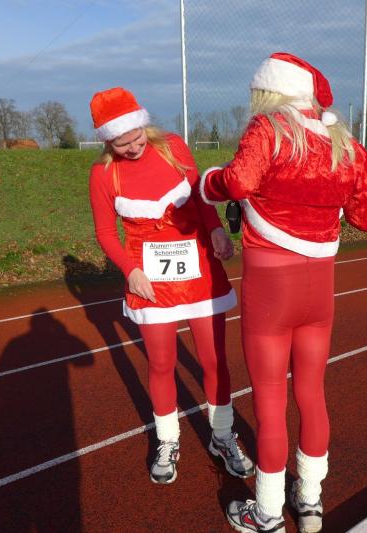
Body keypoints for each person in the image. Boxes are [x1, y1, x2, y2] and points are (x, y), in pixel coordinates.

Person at [200, 53, 367, 532]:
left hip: (271, 289)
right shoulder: (344, 144)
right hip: (320, 287)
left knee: (269, 401)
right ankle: (311, 502)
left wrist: (208, 183)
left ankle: (266, 512)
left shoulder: (269, 130)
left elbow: (239, 181)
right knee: (312, 393)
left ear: (270, 92)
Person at [88, 87, 254, 485]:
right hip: (150, 278)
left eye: (136, 137)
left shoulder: (173, 147)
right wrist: (130, 270)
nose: (132, 147)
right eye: (122, 143)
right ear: (108, 141)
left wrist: (216, 230)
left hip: (198, 269)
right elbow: (105, 233)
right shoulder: (103, 174)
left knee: (213, 359)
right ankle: (167, 439)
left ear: (143, 126)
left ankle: (222, 435)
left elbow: (200, 197)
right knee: (162, 363)